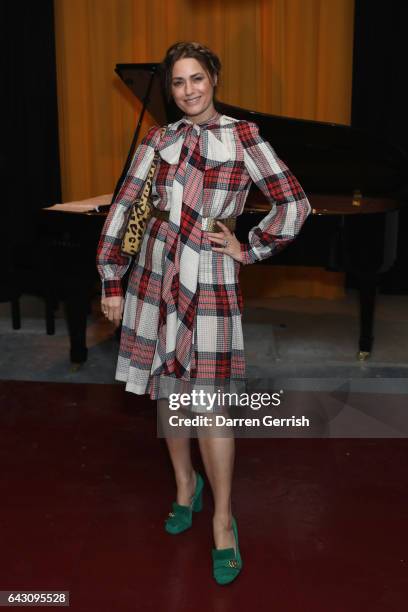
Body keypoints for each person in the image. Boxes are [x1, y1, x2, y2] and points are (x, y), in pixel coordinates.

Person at [97, 41, 311, 585]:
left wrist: (251, 247)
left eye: (197, 78)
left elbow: (294, 201)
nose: (188, 90)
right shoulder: (158, 139)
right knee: (170, 392)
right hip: (153, 275)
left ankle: (221, 518)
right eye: (178, 82)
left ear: (213, 77)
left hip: (211, 278)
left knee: (210, 403)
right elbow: (126, 205)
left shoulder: (244, 136)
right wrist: (111, 276)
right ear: (169, 89)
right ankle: (184, 489)